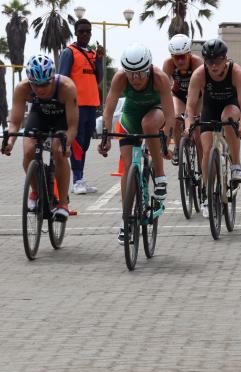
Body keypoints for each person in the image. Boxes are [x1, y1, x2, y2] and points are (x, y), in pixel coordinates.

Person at [98, 43, 175, 245]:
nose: (136, 79)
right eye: (131, 74)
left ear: (149, 68)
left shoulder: (160, 78)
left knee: (149, 124)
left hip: (155, 111)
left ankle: (160, 177)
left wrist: (166, 139)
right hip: (130, 116)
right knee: (127, 165)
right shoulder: (119, 78)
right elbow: (109, 109)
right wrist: (105, 135)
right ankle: (126, 221)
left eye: (141, 73)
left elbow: (169, 114)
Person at [1, 54, 78, 221]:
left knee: (58, 151)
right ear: (29, 81)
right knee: (28, 151)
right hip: (39, 115)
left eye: (45, 84)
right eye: (36, 85)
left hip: (61, 119)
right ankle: (35, 191)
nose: (40, 89)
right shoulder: (22, 88)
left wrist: (67, 144)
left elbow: (72, 126)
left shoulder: (67, 87)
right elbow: (15, 122)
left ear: (52, 78)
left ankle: (63, 202)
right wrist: (10, 142)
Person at [184, 38, 241, 218]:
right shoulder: (199, 74)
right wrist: (188, 125)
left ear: (225, 59)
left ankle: (236, 163)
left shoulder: (237, 72)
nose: (213, 66)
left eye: (217, 61)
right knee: (206, 151)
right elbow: (190, 106)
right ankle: (207, 192)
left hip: (231, 106)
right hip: (209, 108)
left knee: (227, 119)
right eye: (209, 62)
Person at [59, 18, 103, 195]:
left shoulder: (93, 54)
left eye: (88, 31)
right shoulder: (69, 52)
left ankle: (80, 178)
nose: (85, 34)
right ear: (76, 33)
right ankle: (76, 180)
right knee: (76, 142)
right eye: (82, 31)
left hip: (91, 104)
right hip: (75, 105)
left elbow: (98, 78)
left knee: (84, 143)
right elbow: (62, 78)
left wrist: (99, 59)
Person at [162, 33, 203, 166]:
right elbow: (164, 89)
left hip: (197, 97)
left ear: (189, 54)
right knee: (175, 118)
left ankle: (203, 166)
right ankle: (178, 148)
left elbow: (204, 87)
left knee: (196, 127)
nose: (179, 61)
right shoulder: (168, 64)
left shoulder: (197, 63)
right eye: (176, 57)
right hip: (179, 95)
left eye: (183, 57)